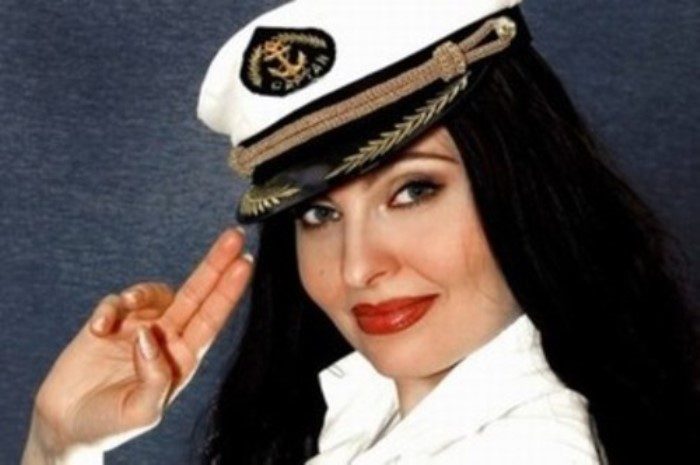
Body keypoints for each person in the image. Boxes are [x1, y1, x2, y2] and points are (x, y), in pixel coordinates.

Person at [21, 0, 699, 464]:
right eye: (319, 213)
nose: (356, 267)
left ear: (524, 185)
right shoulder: (366, 409)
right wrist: (59, 441)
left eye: (413, 190)